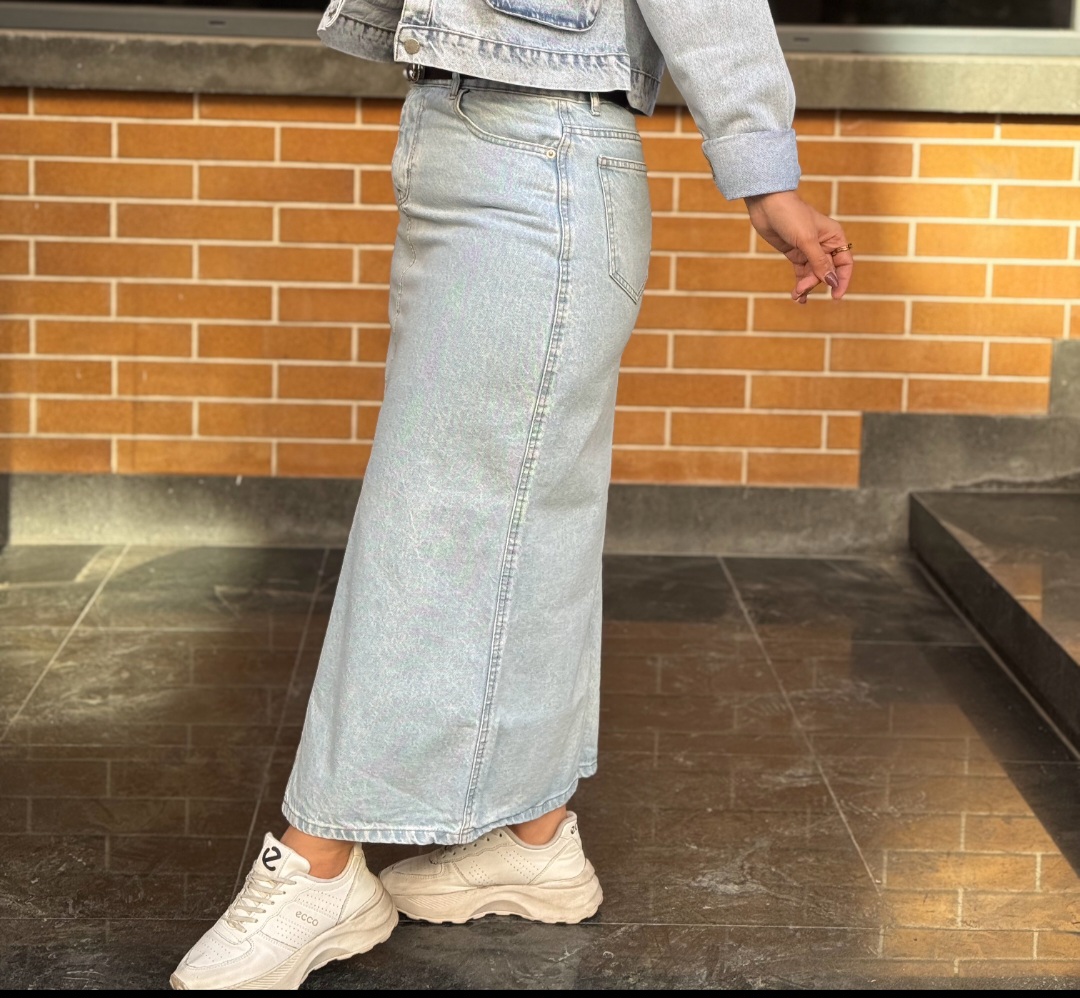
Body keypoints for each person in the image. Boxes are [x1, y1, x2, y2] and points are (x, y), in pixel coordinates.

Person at [170, 0, 852, 989]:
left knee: (433, 513)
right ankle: (534, 837)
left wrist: (762, 166)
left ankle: (319, 862)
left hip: (540, 157)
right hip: (463, 128)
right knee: (533, 519)